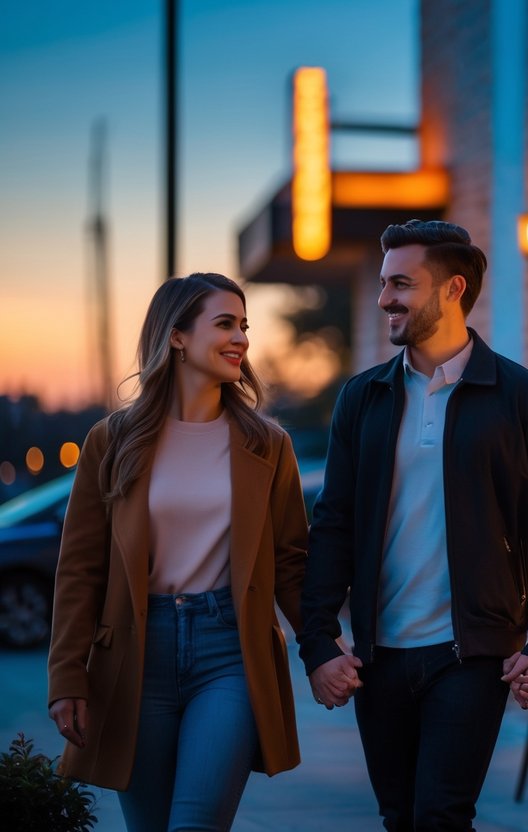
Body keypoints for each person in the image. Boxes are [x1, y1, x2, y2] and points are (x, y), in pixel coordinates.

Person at [299, 219, 528, 831]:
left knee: (441, 815)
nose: (385, 300)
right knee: (398, 817)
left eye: (401, 283)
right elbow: (333, 524)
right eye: (382, 284)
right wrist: (319, 642)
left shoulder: (522, 397)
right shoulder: (363, 398)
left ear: (453, 289)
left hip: (472, 654)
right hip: (379, 656)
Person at [47, 273, 309, 831]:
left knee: (195, 824)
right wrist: (67, 676)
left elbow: (291, 563)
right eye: (224, 324)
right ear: (177, 337)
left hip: (230, 653)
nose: (240, 337)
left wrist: (325, 650)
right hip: (136, 656)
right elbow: (80, 570)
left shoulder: (268, 445)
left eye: (244, 326)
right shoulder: (113, 441)